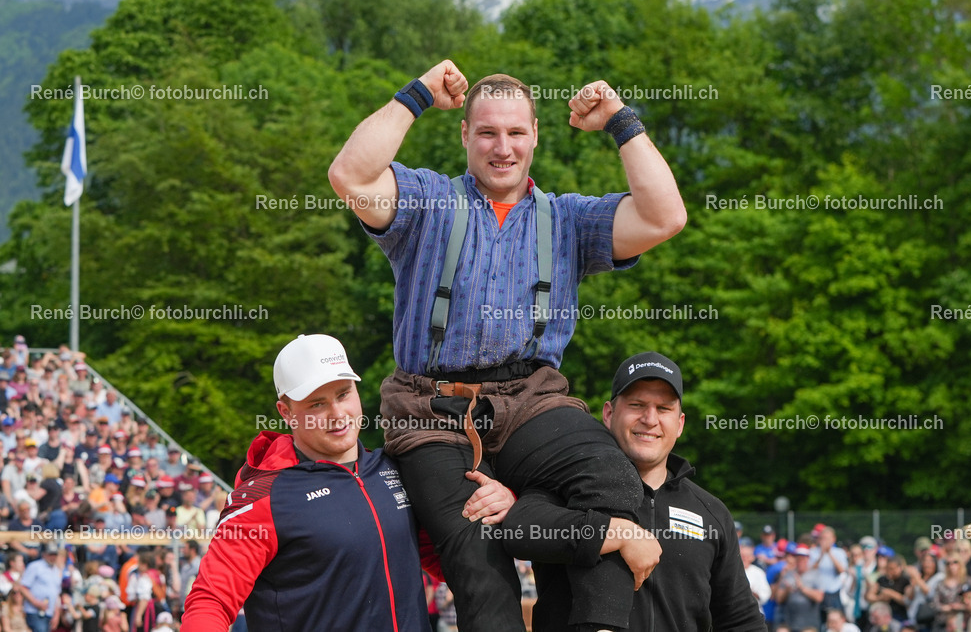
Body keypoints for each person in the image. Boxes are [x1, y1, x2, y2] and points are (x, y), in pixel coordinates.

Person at [328, 59, 686, 632]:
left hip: (532, 400)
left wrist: (620, 120)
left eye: (516, 132)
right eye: (488, 132)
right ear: (465, 134)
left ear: (535, 136)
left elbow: (665, 215)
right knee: (477, 557)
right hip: (430, 409)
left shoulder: (568, 219)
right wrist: (418, 94)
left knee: (612, 480)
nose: (503, 148)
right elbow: (350, 173)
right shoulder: (427, 202)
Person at [182, 334, 512, 631]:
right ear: (285, 412)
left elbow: (453, 560)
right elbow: (210, 601)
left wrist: (502, 503)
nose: (338, 413)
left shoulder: (395, 467)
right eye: (317, 404)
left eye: (343, 394)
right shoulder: (263, 498)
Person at [500, 352, 766, 632]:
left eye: (663, 409)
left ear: (680, 424)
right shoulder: (569, 482)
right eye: (637, 405)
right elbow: (519, 529)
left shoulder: (711, 512)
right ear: (608, 414)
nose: (650, 419)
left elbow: (739, 619)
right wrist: (614, 532)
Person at [17, 541, 63, 632]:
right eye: (50, 554)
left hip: (49, 612)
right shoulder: (35, 566)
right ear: (44, 554)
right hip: (34, 611)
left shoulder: (57, 570)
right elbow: (23, 587)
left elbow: (56, 594)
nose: (53, 557)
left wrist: (57, 614)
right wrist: (36, 602)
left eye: (55, 554)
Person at [777, 544, 825, 630]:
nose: (800, 561)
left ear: (808, 559)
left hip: (809, 625)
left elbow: (819, 597)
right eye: (798, 558)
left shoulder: (816, 575)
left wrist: (802, 588)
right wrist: (787, 590)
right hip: (790, 623)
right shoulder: (788, 574)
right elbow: (779, 599)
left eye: (803, 558)